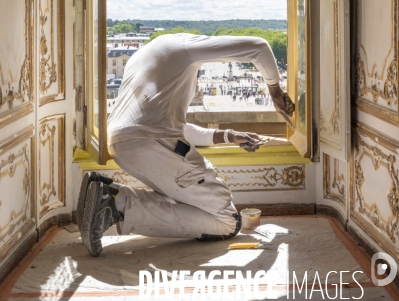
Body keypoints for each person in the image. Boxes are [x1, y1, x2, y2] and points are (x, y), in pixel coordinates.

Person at [78, 34, 295, 257]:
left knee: (183, 200)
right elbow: (258, 47)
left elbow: (171, 125)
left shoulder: (142, 56)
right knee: (227, 221)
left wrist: (229, 136)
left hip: (123, 145)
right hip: (152, 143)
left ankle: (105, 194)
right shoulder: (184, 46)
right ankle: (117, 204)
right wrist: (275, 90)